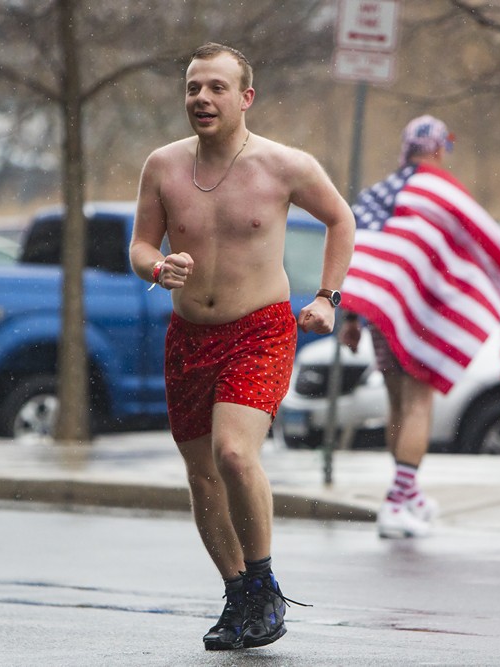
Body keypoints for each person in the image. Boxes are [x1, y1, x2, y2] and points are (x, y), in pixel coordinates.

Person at [129, 43, 355, 651]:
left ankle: (263, 583)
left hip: (258, 328)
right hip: (187, 337)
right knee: (202, 476)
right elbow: (140, 247)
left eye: (216, 88)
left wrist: (327, 298)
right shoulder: (164, 166)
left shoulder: (285, 166)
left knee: (233, 454)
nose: (202, 98)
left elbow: (341, 218)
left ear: (245, 97)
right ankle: (240, 597)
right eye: (193, 88)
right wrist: (158, 267)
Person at [340, 115, 500, 539]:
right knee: (418, 405)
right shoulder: (440, 190)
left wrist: (352, 318)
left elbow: (361, 256)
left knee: (398, 405)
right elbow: (486, 243)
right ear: (438, 149)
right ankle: (398, 502)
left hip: (383, 314)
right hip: (418, 313)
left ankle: (407, 495)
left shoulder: (377, 194)